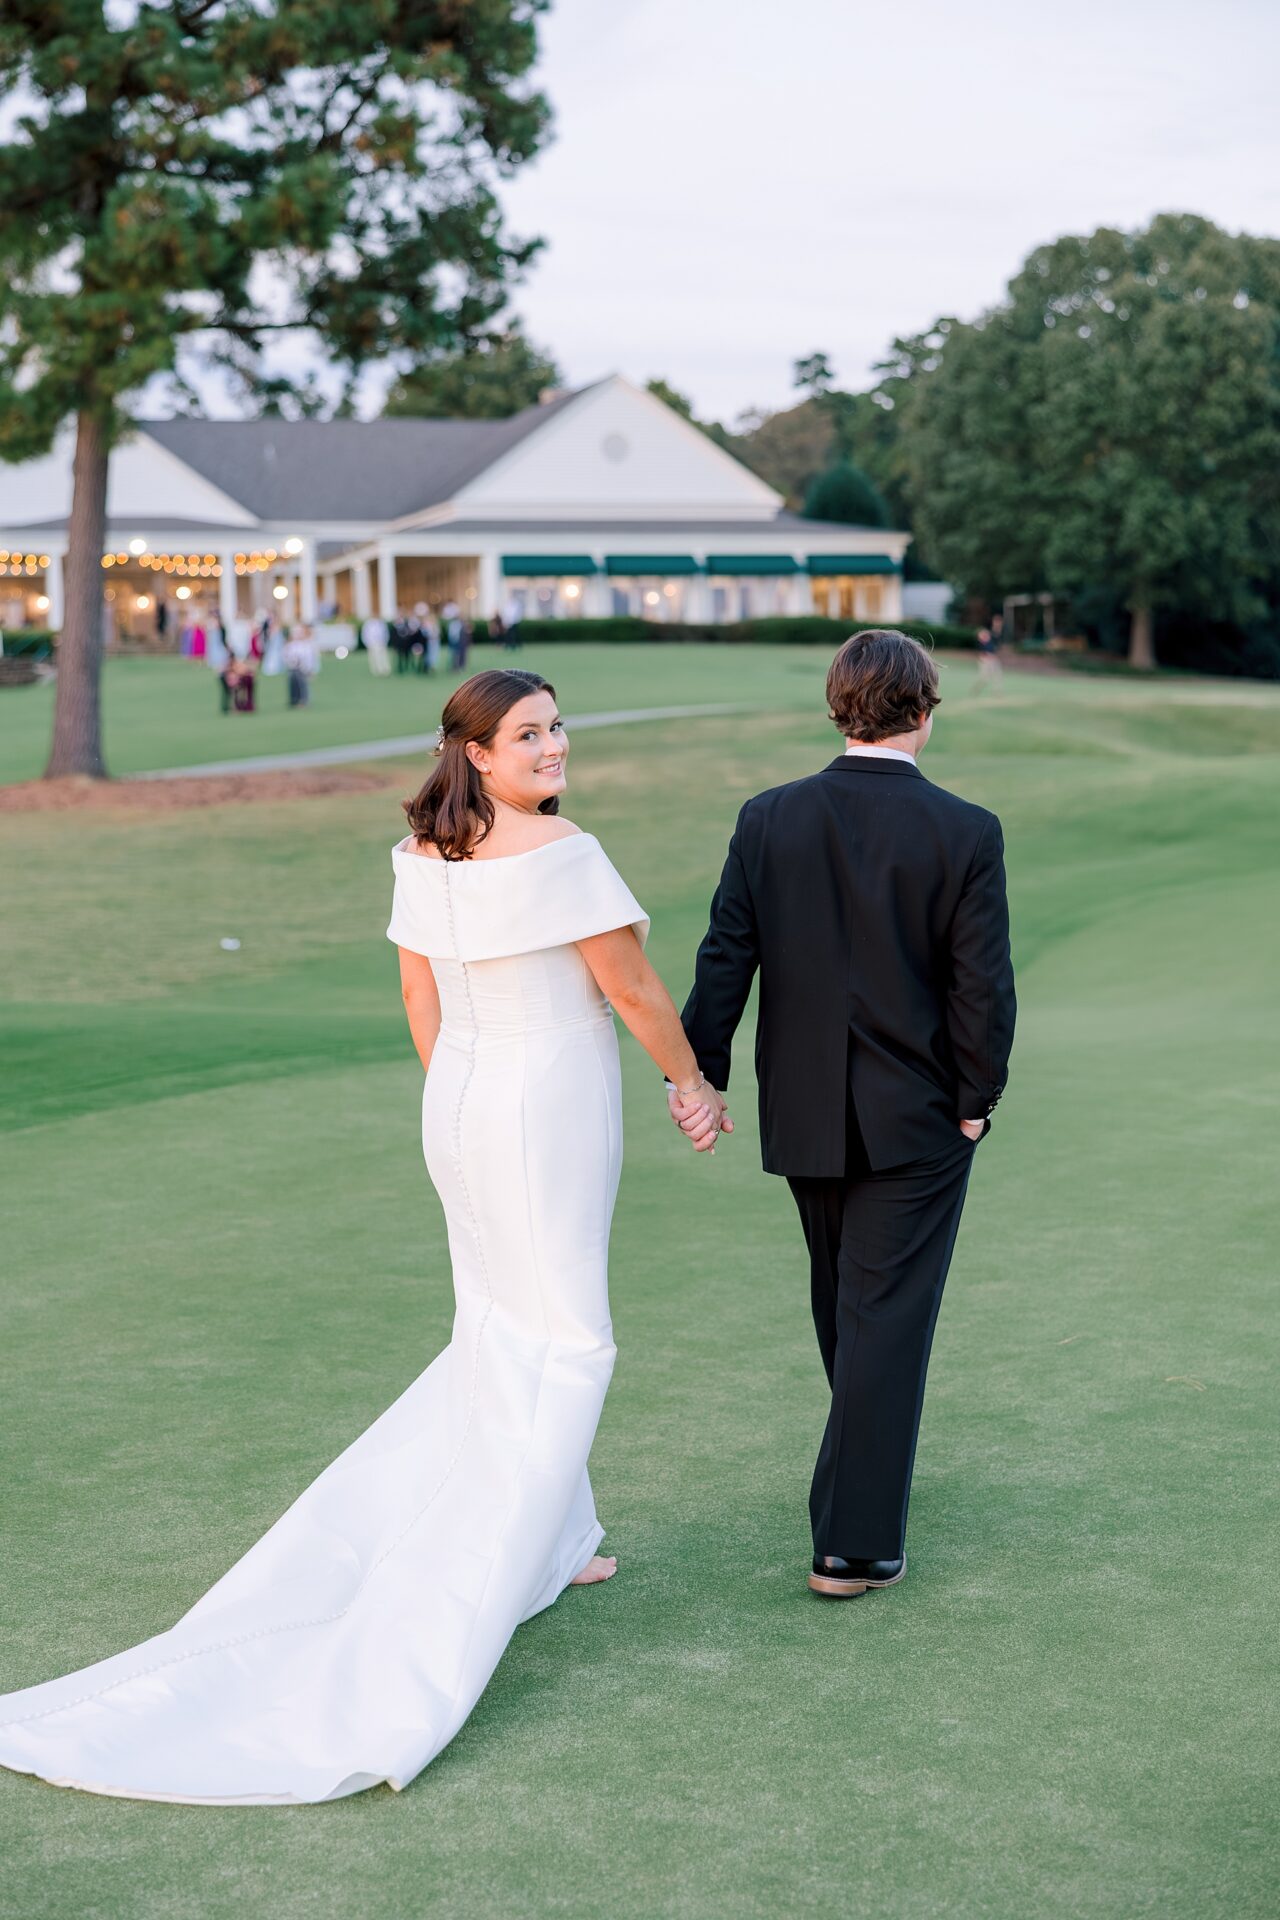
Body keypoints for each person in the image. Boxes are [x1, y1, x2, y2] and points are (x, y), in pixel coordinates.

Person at [0, 668, 716, 1804]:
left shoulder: (422, 853)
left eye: (557, 727)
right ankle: (486, 1571)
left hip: (462, 1103)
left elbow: (422, 1002)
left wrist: (464, 1101)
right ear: (476, 752)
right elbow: (630, 992)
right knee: (566, 1336)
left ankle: (557, 1538)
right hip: (544, 1107)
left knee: (500, 1321)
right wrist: (692, 1083)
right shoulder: (561, 851)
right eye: (527, 734)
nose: (553, 747)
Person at [673, 629, 1016, 1600]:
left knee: (849, 1308)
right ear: (924, 711)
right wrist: (976, 1101)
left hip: (803, 1111)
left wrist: (696, 1074)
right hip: (919, 1118)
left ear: (838, 708)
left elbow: (724, 957)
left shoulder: (768, 817)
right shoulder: (964, 829)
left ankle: (860, 1477)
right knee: (879, 1319)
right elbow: (981, 988)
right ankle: (852, 1546)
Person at [283, 624, 315, 707]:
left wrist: (310, 669)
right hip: (293, 667)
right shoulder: (291, 644)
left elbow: (309, 658)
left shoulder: (306, 645)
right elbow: (287, 655)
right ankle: (294, 700)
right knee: (293, 684)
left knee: (303, 685)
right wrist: (290, 662)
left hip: (303, 668)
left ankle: (304, 701)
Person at [976, 612, 1004, 690]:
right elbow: (981, 641)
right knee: (985, 678)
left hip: (993, 658)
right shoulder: (989, 632)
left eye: (999, 622)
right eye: (996, 621)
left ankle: (997, 691)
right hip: (986, 659)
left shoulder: (999, 634)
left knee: (998, 675)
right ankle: (977, 687)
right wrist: (984, 655)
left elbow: (996, 647)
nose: (998, 623)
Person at [361, 611, 391, 676]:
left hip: (381, 642)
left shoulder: (381, 623)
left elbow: (386, 633)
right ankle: (376, 670)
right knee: (373, 657)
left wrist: (385, 641)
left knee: (383, 656)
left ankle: (385, 669)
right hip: (371, 643)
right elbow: (365, 634)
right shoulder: (368, 623)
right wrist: (367, 643)